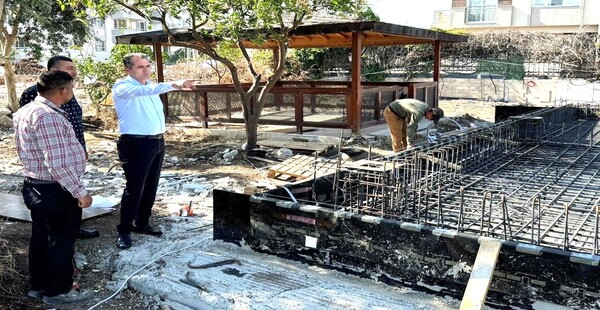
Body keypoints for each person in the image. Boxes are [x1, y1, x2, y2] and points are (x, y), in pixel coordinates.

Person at [13, 71, 94, 306]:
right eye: (71, 87)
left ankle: (39, 286)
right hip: (54, 189)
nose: (72, 91)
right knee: (60, 240)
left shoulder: (27, 110)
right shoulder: (48, 116)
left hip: (37, 186)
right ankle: (59, 292)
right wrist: (80, 192)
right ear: (63, 90)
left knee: (42, 238)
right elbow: (56, 163)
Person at [113, 53, 194, 249]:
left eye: (148, 66)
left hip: (156, 142)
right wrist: (175, 84)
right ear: (128, 69)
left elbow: (150, 93)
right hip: (135, 143)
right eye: (141, 67)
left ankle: (142, 222)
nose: (146, 70)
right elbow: (146, 91)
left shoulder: (149, 87)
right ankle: (124, 229)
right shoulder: (123, 87)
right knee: (135, 188)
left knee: (151, 186)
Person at [19, 55, 99, 240]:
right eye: (69, 68)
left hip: (59, 172)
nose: (74, 71)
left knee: (57, 230)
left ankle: (71, 233)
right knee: (56, 237)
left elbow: (76, 125)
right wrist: (81, 192)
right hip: (51, 181)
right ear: (54, 71)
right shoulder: (40, 103)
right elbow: (53, 158)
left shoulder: (65, 94)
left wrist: (80, 148)